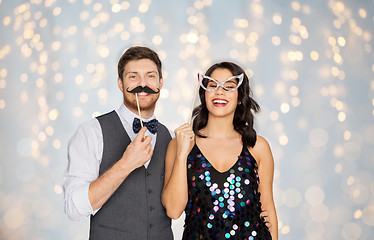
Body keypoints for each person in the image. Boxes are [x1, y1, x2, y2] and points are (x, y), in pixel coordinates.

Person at [62, 46, 174, 239]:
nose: (143, 84)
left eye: (150, 76)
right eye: (133, 77)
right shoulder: (91, 132)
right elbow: (73, 208)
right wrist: (126, 164)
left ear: (161, 83)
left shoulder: (172, 138)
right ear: (120, 84)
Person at [161, 62, 278, 239]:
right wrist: (182, 154)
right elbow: (173, 210)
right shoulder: (180, 144)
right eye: (213, 85)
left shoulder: (257, 146)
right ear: (204, 94)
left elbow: (267, 207)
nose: (220, 92)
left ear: (240, 97)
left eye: (229, 87)